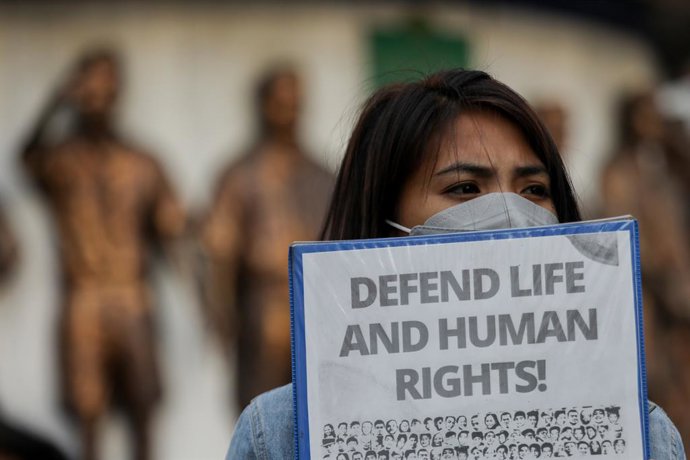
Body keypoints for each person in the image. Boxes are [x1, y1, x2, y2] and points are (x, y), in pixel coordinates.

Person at [225, 69, 685, 459]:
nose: (510, 216)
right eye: (465, 188)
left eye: (533, 190)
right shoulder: (282, 434)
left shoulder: (637, 432)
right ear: (384, 224)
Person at [20, 48, 185, 460]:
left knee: (143, 411)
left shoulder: (143, 162)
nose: (98, 92)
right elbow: (27, 157)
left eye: (107, 82)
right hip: (84, 299)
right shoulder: (62, 159)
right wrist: (56, 101)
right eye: (90, 82)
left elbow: (171, 232)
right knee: (88, 416)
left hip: (133, 299)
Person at [200, 67, 334, 409]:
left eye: (294, 102)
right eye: (280, 101)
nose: (288, 110)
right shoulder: (240, 174)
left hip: (314, 308)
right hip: (260, 309)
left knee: (317, 413)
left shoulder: (321, 174)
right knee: (261, 412)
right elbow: (220, 252)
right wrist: (221, 313)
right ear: (263, 105)